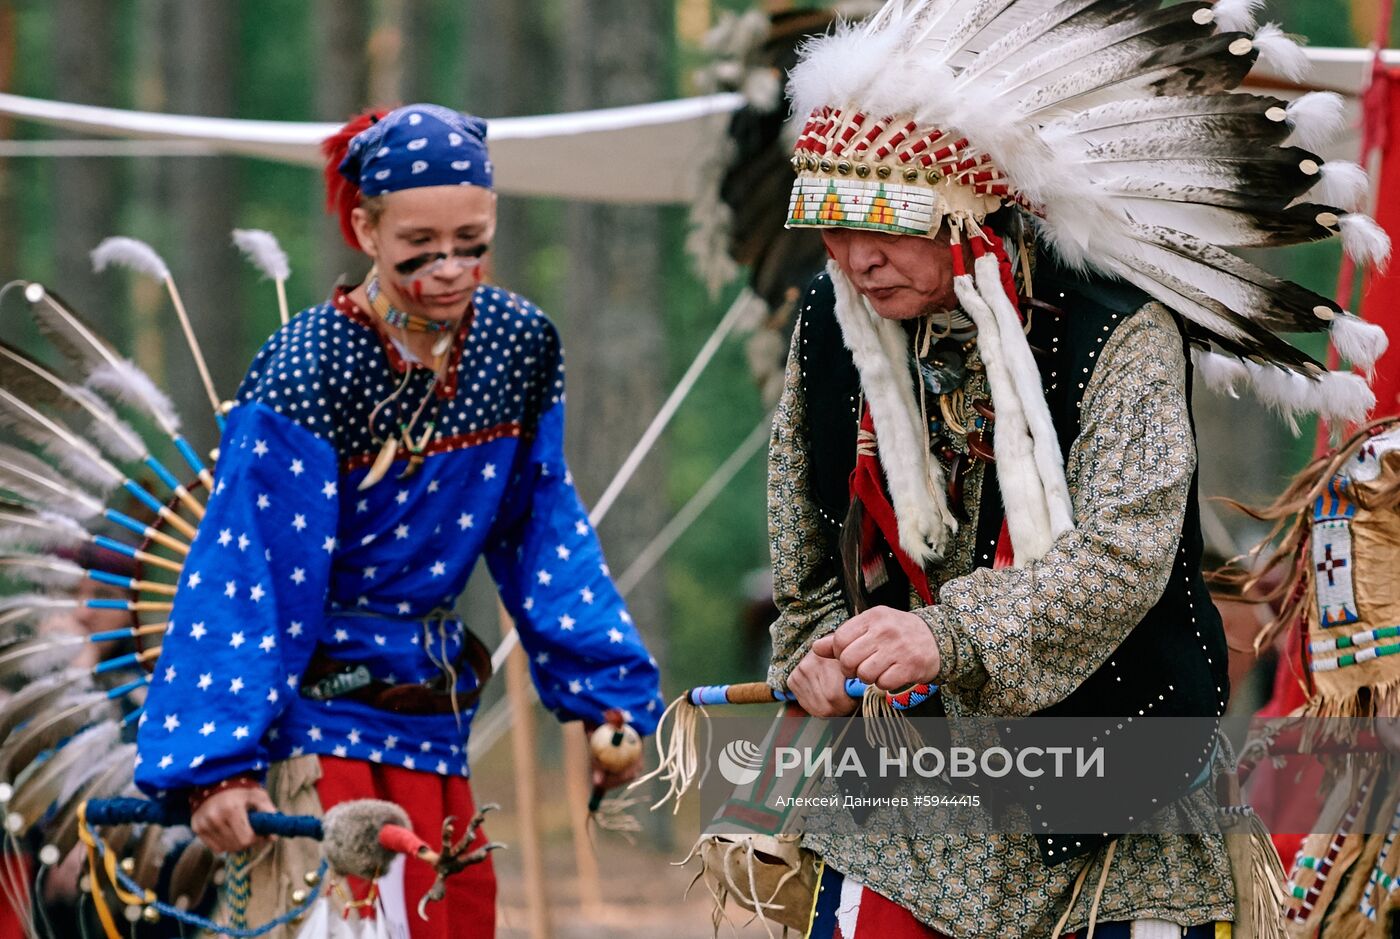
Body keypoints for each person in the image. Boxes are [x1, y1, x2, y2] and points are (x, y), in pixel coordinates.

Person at [759, 2, 1390, 937]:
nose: (858, 258)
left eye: (887, 221)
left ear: (968, 207)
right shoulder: (835, 318)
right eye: (831, 225)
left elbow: (1123, 554)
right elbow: (805, 524)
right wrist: (814, 649)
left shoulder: (1111, 325)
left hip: (1116, 777)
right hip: (909, 791)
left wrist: (947, 636)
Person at [133, 103, 665, 938]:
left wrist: (608, 690)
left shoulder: (518, 345)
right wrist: (217, 768)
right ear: (363, 227)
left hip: (434, 719)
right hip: (319, 731)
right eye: (421, 247)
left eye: (474, 242)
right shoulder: (308, 367)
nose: (450, 268)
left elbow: (541, 527)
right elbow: (249, 567)